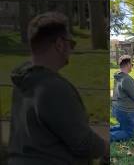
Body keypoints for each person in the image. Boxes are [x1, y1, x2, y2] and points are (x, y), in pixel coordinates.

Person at [7, 12, 108, 165]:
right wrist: (107, 149)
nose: (71, 49)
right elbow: (83, 143)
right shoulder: (52, 88)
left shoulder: (22, 81)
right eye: (71, 43)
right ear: (60, 44)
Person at [111, 55, 134, 142]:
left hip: (118, 109)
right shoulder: (126, 79)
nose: (132, 66)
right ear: (128, 64)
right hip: (126, 111)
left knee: (123, 126)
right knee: (129, 133)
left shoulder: (118, 76)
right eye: (131, 64)